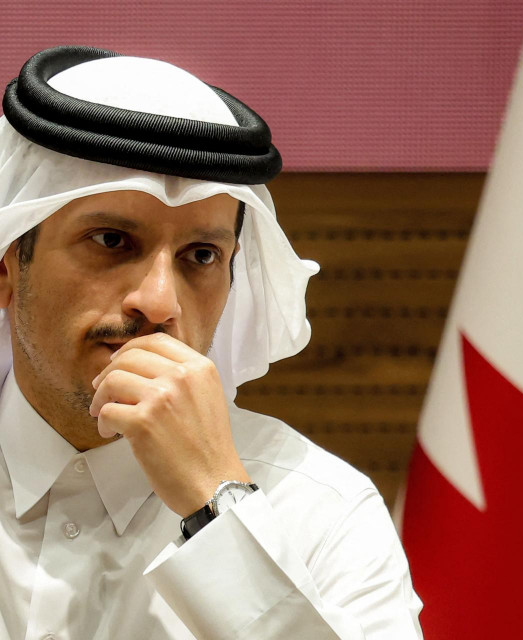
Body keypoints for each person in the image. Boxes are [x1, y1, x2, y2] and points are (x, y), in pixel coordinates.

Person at [0, 46, 423, 639]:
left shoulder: (321, 512)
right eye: (112, 241)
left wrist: (217, 509)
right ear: (8, 269)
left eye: (201, 256)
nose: (159, 302)